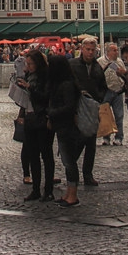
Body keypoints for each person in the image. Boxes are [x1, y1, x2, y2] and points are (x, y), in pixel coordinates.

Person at [45, 54, 83, 207]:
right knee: (67, 161)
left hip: (67, 127)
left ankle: (73, 195)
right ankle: (69, 192)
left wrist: (51, 113)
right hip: (62, 126)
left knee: (69, 162)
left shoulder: (66, 85)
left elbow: (69, 107)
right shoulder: (63, 83)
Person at [17, 49, 55, 202]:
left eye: (31, 63)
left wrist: (29, 88)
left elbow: (45, 97)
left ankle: (48, 190)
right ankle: (35, 189)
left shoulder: (46, 76)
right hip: (30, 117)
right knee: (33, 155)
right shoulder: (29, 75)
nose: (29, 66)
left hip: (42, 117)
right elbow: (27, 97)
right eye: (27, 63)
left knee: (46, 155)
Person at [69, 36, 106, 185]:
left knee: (91, 143)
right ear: (82, 49)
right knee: (78, 141)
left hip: (92, 107)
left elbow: (103, 87)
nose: (90, 52)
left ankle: (88, 174)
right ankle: (71, 171)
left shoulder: (97, 67)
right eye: (88, 49)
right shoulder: (72, 64)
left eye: (92, 50)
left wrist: (99, 98)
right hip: (77, 107)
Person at [98, 43, 126, 146]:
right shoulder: (100, 61)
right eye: (114, 50)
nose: (116, 52)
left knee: (119, 115)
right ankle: (106, 137)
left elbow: (124, 74)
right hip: (106, 91)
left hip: (118, 91)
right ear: (108, 51)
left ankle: (119, 137)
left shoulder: (119, 61)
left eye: (116, 50)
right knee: (105, 115)